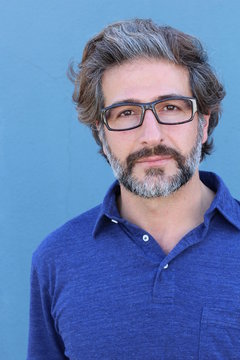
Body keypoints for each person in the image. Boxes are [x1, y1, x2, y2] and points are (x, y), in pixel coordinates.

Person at [27, 19, 240, 359]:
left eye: (171, 107)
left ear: (203, 124)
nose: (151, 135)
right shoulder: (56, 260)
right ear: (102, 133)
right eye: (126, 113)